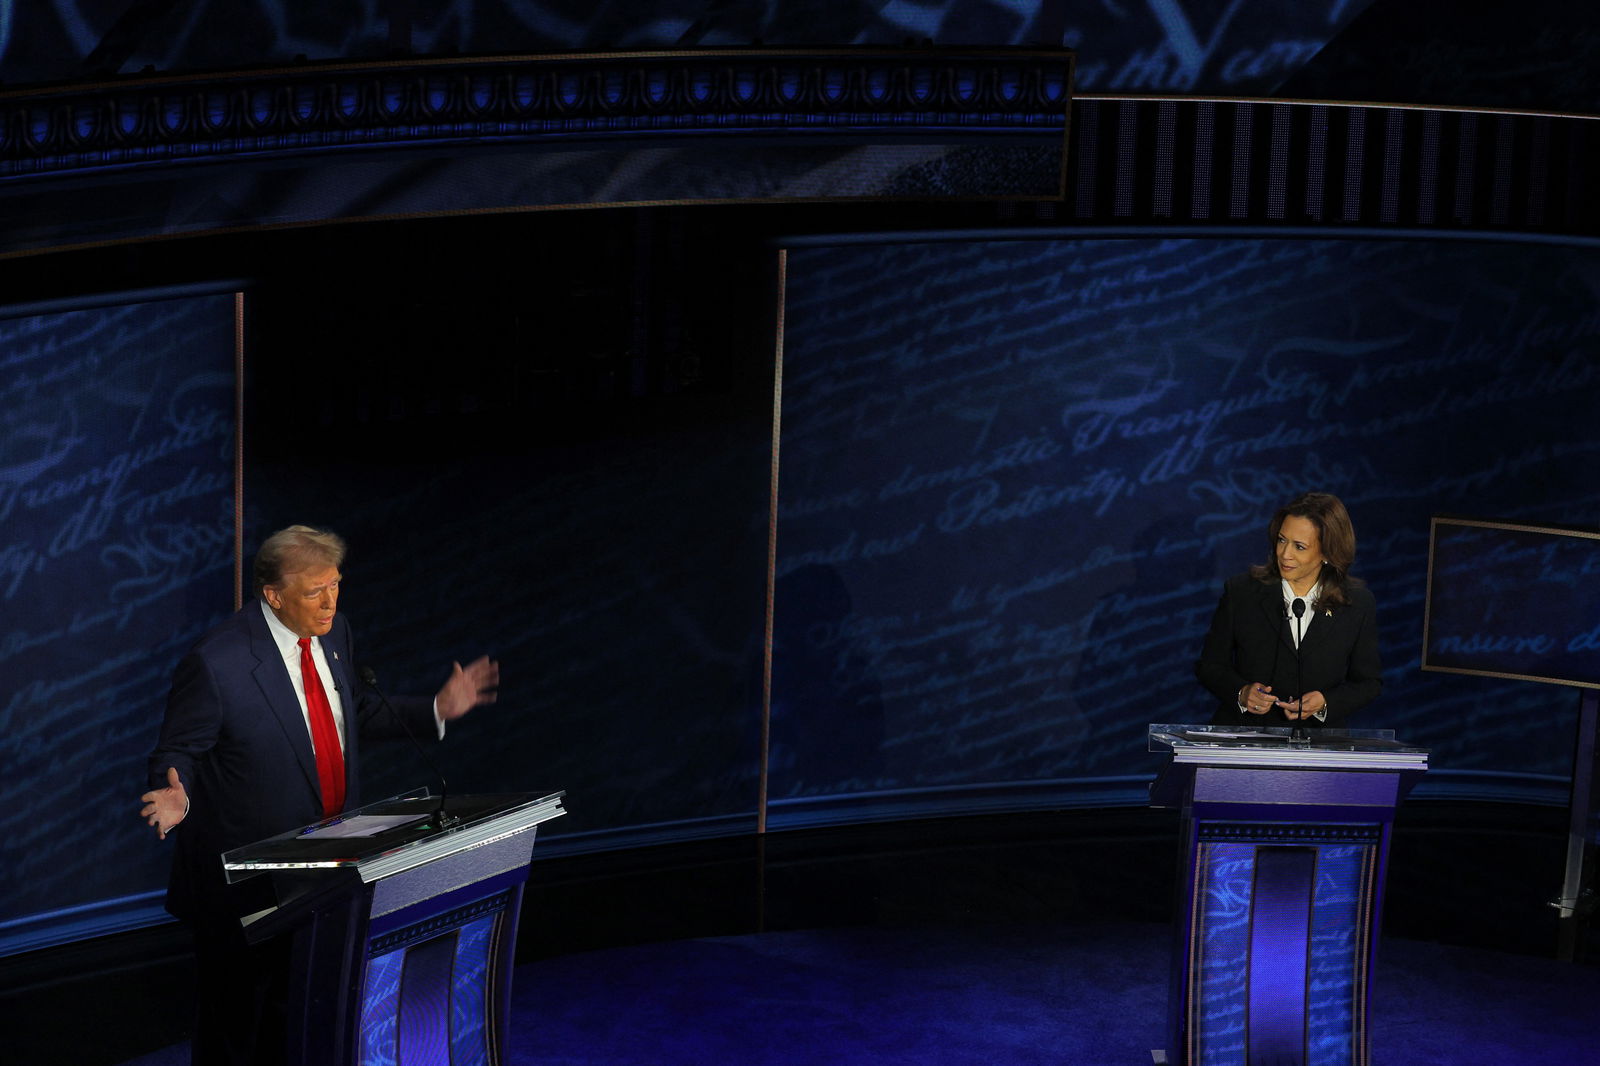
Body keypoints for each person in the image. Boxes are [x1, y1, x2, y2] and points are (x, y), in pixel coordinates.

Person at [138, 525, 500, 1066]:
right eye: (314, 591)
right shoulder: (218, 663)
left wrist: (435, 711)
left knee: (302, 1015)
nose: (330, 601)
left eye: (335, 585)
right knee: (236, 1027)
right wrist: (176, 795)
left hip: (330, 867)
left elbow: (351, 712)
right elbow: (178, 751)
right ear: (274, 595)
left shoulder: (335, 634)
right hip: (246, 883)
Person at [1195, 492, 1381, 727]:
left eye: (1299, 547)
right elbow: (1210, 666)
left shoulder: (1357, 603)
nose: (1285, 554)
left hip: (1318, 744)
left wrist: (1325, 703)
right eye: (1282, 540)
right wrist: (1241, 692)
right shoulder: (1242, 592)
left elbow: (1368, 682)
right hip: (1245, 738)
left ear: (1327, 552)